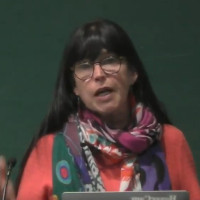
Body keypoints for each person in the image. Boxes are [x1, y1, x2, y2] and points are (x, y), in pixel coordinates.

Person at [0, 19, 199, 200]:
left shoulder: (171, 142)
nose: (98, 75)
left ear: (133, 73)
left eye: (110, 61)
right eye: (84, 67)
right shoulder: (50, 150)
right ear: (75, 87)